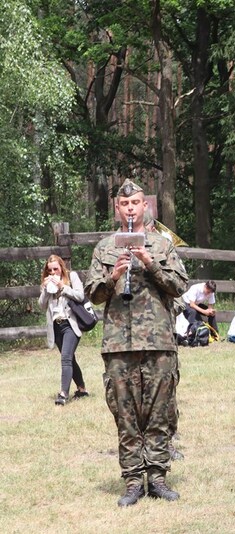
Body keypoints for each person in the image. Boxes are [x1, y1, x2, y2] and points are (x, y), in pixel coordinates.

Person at [84, 178, 189, 506]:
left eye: (136, 204)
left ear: (146, 206)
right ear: (118, 209)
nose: (131, 209)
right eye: (125, 205)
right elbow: (92, 294)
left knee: (159, 411)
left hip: (158, 342)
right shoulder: (104, 247)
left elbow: (180, 286)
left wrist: (149, 263)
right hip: (118, 343)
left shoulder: (163, 244)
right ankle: (132, 480)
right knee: (125, 413)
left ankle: (157, 476)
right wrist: (113, 276)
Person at [39, 254, 89, 405]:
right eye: (50, 270)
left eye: (56, 269)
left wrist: (62, 287)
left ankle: (63, 395)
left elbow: (80, 296)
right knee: (70, 359)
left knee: (65, 358)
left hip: (70, 325)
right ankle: (82, 389)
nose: (53, 272)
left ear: (61, 267)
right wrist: (47, 289)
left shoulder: (72, 277)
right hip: (56, 326)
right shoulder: (46, 284)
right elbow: (41, 305)